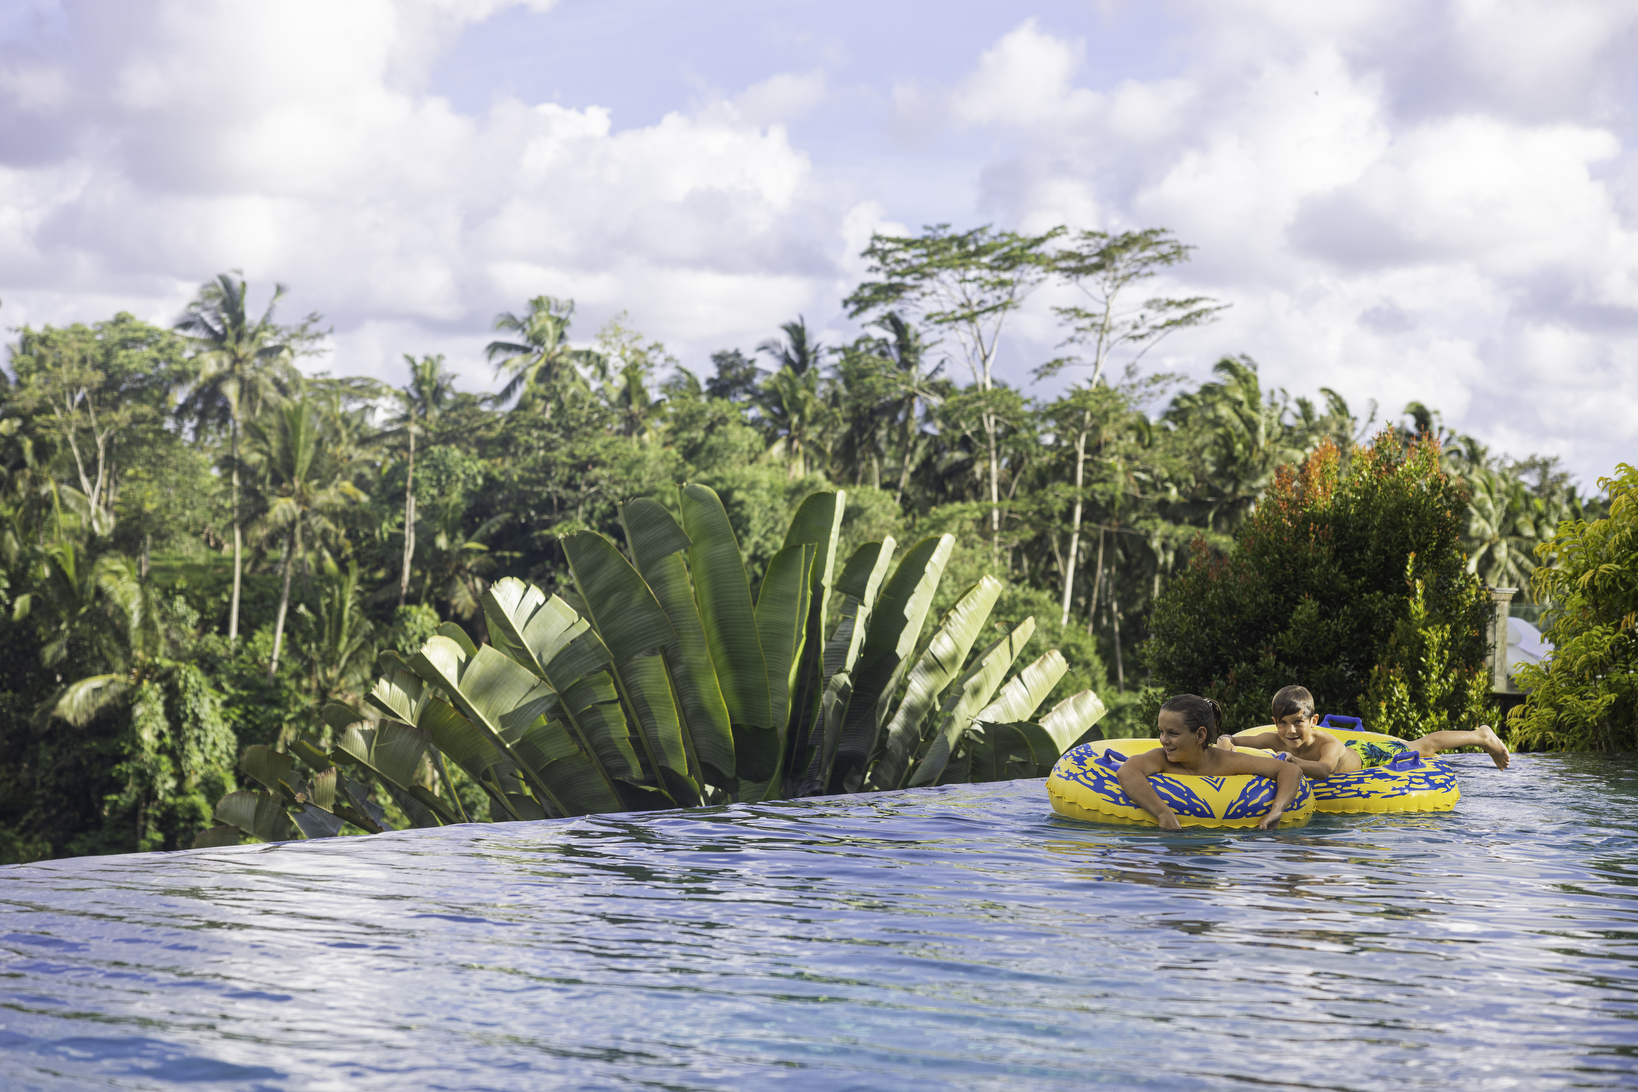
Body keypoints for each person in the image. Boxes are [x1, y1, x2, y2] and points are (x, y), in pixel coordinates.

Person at [1220, 685, 1511, 777]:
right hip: (1350, 753)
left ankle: (1481, 736)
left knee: (1422, 745)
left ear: (1314, 720)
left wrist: (1293, 762)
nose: (1290, 730)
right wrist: (1224, 742)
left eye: (1298, 722)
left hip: (1367, 755)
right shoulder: (1272, 738)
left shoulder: (1329, 744)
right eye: (1283, 723)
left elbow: (1322, 771)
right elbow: (1232, 738)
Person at [1117, 693, 1304, 831]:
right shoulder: (1161, 759)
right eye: (1161, 731)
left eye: (1172, 733)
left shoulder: (1227, 761)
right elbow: (1127, 771)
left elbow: (1289, 770)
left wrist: (1277, 809)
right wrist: (1163, 813)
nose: (1163, 740)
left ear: (1200, 735)